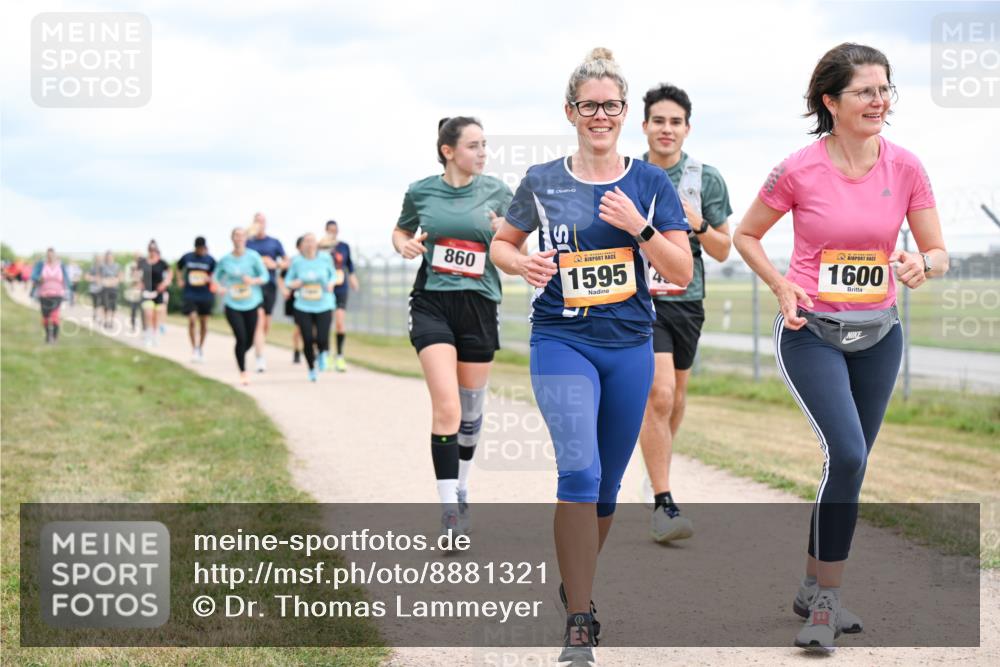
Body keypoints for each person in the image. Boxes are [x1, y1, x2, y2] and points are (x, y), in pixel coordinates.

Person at [732, 43, 948, 653]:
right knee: (848, 455)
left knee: (845, 467)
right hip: (813, 333)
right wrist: (781, 285)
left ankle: (810, 586)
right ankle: (826, 604)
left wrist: (918, 262)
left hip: (879, 335)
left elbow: (937, 251)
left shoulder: (905, 167)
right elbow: (746, 234)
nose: (880, 101)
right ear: (831, 101)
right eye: (866, 91)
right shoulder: (798, 169)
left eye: (886, 90)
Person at [490, 48, 692, 665]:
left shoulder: (651, 183)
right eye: (588, 106)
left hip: (629, 345)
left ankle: (575, 582)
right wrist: (520, 260)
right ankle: (581, 616)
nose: (599, 115)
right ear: (570, 111)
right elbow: (502, 243)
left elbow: (680, 270)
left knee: (605, 489)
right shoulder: (543, 179)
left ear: (624, 112)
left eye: (609, 106)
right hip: (561, 339)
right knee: (576, 472)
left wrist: (641, 227)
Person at [392, 115, 513, 539]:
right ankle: (448, 512)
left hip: (479, 305)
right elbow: (401, 229)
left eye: (484, 145)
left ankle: (462, 486)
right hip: (432, 303)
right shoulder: (421, 191)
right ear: (449, 151)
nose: (483, 153)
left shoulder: (499, 192)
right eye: (474, 146)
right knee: (447, 407)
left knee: (471, 411)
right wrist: (403, 243)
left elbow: (515, 249)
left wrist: (505, 234)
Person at [637, 83, 733, 543]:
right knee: (659, 392)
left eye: (675, 122)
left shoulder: (706, 179)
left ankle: (657, 469)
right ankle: (664, 503)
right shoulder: (628, 173)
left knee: (674, 400)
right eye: (659, 121)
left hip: (687, 299)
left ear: (687, 128)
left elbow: (721, 249)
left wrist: (697, 222)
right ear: (645, 126)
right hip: (639, 299)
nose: (667, 129)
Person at [213, 227, 269, 385]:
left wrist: (253, 281)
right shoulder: (225, 260)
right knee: (240, 337)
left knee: (250, 340)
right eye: (236, 236)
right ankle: (243, 372)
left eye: (242, 236)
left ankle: (240, 355)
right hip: (232, 304)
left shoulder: (253, 257)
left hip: (252, 302)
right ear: (232, 239)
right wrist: (220, 288)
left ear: (246, 239)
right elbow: (215, 278)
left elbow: (264, 276)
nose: (239, 238)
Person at [284, 233, 337, 381]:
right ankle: (311, 369)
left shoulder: (325, 258)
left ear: (316, 243)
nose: (310, 244)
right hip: (303, 305)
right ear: (302, 245)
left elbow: (333, 275)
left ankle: (322, 353)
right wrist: (295, 284)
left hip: (324, 303)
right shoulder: (297, 261)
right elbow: (288, 280)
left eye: (312, 241)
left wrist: (331, 283)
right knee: (307, 338)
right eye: (307, 241)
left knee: (322, 337)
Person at [246, 212, 286, 373]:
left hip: (269, 285)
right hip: (254, 286)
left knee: (266, 323)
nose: (260, 224)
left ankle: (259, 344)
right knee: (259, 320)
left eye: (262, 221)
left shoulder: (274, 243)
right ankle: (260, 357)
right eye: (257, 221)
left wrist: (275, 265)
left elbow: (286, 262)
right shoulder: (248, 243)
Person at [323, 220, 360, 372]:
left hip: (340, 288)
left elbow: (349, 266)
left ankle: (339, 356)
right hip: (325, 288)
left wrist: (353, 281)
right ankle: (324, 354)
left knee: (339, 322)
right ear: (325, 230)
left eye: (335, 230)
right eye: (330, 230)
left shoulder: (344, 247)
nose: (333, 232)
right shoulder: (321, 247)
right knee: (325, 322)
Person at [176, 236, 217, 363]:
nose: (201, 250)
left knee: (204, 322)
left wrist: (211, 280)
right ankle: (194, 348)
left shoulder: (210, 260)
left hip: (205, 294)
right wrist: (180, 280)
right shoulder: (187, 257)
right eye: (199, 248)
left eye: (203, 248)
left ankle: (200, 348)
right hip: (190, 293)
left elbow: (216, 273)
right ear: (196, 248)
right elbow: (178, 267)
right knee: (192, 319)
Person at [31, 248, 71, 343]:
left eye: (52, 255)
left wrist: (69, 293)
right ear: (46, 255)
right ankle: (48, 336)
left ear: (55, 255)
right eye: (48, 255)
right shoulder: (41, 265)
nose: (50, 257)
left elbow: (67, 279)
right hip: (43, 294)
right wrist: (38, 278)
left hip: (58, 294)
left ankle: (55, 337)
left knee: (54, 316)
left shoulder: (61, 266)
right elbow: (33, 276)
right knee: (45, 317)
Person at [138, 241, 171, 347]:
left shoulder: (162, 263)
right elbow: (136, 273)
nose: (152, 252)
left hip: (158, 292)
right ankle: (148, 335)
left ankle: (155, 335)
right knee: (148, 314)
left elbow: (170, 274)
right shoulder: (143, 262)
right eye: (150, 250)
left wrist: (164, 283)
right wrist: (139, 282)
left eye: (154, 250)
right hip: (147, 292)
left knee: (156, 316)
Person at [280, 236, 306, 364]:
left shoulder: (315, 260)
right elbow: (281, 277)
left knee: (312, 328)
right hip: (295, 299)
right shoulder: (293, 261)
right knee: (299, 327)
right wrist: (284, 289)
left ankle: (313, 350)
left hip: (313, 299)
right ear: (298, 247)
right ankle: (296, 350)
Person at [97, 251, 122, 329]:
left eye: (110, 257)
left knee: (113, 306)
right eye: (108, 257)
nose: (109, 258)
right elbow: (99, 277)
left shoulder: (117, 266)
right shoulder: (102, 266)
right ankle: (106, 321)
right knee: (106, 305)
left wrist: (115, 281)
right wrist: (103, 282)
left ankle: (111, 321)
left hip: (114, 288)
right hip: (105, 288)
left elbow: (120, 277)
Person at [124, 253, 144, 333]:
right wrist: (134, 282)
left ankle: (144, 327)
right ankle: (133, 326)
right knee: (133, 309)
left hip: (142, 291)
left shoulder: (144, 266)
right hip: (133, 291)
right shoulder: (130, 266)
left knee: (143, 310)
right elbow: (127, 279)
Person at [87, 254, 103, 322]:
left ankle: (99, 316)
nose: (98, 260)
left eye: (100, 259)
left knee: (100, 302)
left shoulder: (103, 267)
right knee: (95, 302)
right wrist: (93, 279)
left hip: (101, 287)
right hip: (93, 288)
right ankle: (95, 314)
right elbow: (87, 276)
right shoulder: (92, 267)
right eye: (97, 259)